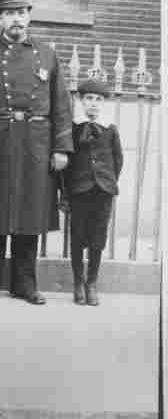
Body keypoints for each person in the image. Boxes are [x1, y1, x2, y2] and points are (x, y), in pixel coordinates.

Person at [0, 0, 72, 304]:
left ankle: (25, 284)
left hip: (35, 142)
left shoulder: (47, 56)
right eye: (9, 13)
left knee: (29, 212)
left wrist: (61, 148)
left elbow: (61, 105)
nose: (16, 19)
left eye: (21, 12)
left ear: (30, 16)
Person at [66, 78, 122, 306]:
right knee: (78, 236)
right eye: (89, 98)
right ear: (80, 100)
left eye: (98, 100)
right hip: (79, 190)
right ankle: (78, 282)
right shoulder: (73, 128)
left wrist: (108, 182)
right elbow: (67, 161)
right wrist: (67, 191)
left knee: (98, 237)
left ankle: (92, 282)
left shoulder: (110, 129)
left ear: (104, 103)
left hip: (103, 190)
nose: (93, 104)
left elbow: (118, 160)